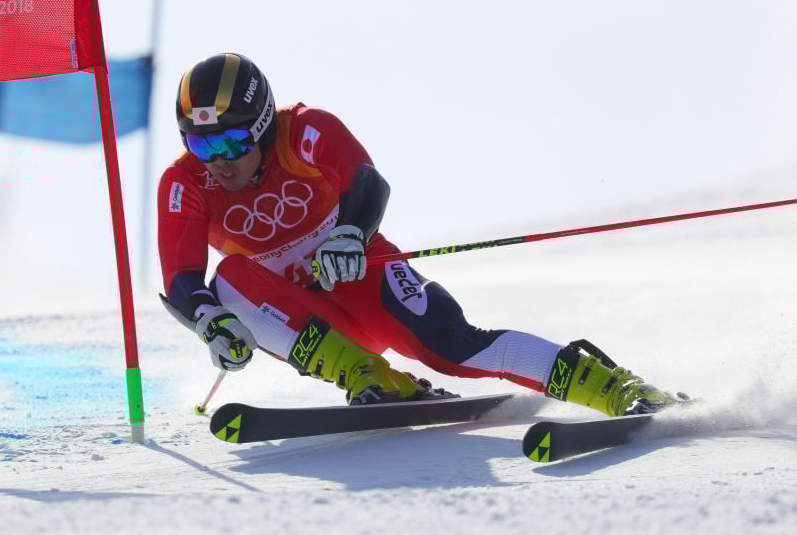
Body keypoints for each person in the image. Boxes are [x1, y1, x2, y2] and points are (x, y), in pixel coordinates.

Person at [157, 53, 684, 415]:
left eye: (228, 141)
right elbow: (182, 279)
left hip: (358, 277)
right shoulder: (185, 183)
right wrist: (212, 326)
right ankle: (368, 376)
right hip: (297, 318)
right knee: (226, 280)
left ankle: (617, 389)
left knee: (453, 348)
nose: (217, 161)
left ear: (264, 123)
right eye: (200, 145)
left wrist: (349, 237)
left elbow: (367, 183)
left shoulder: (305, 130)